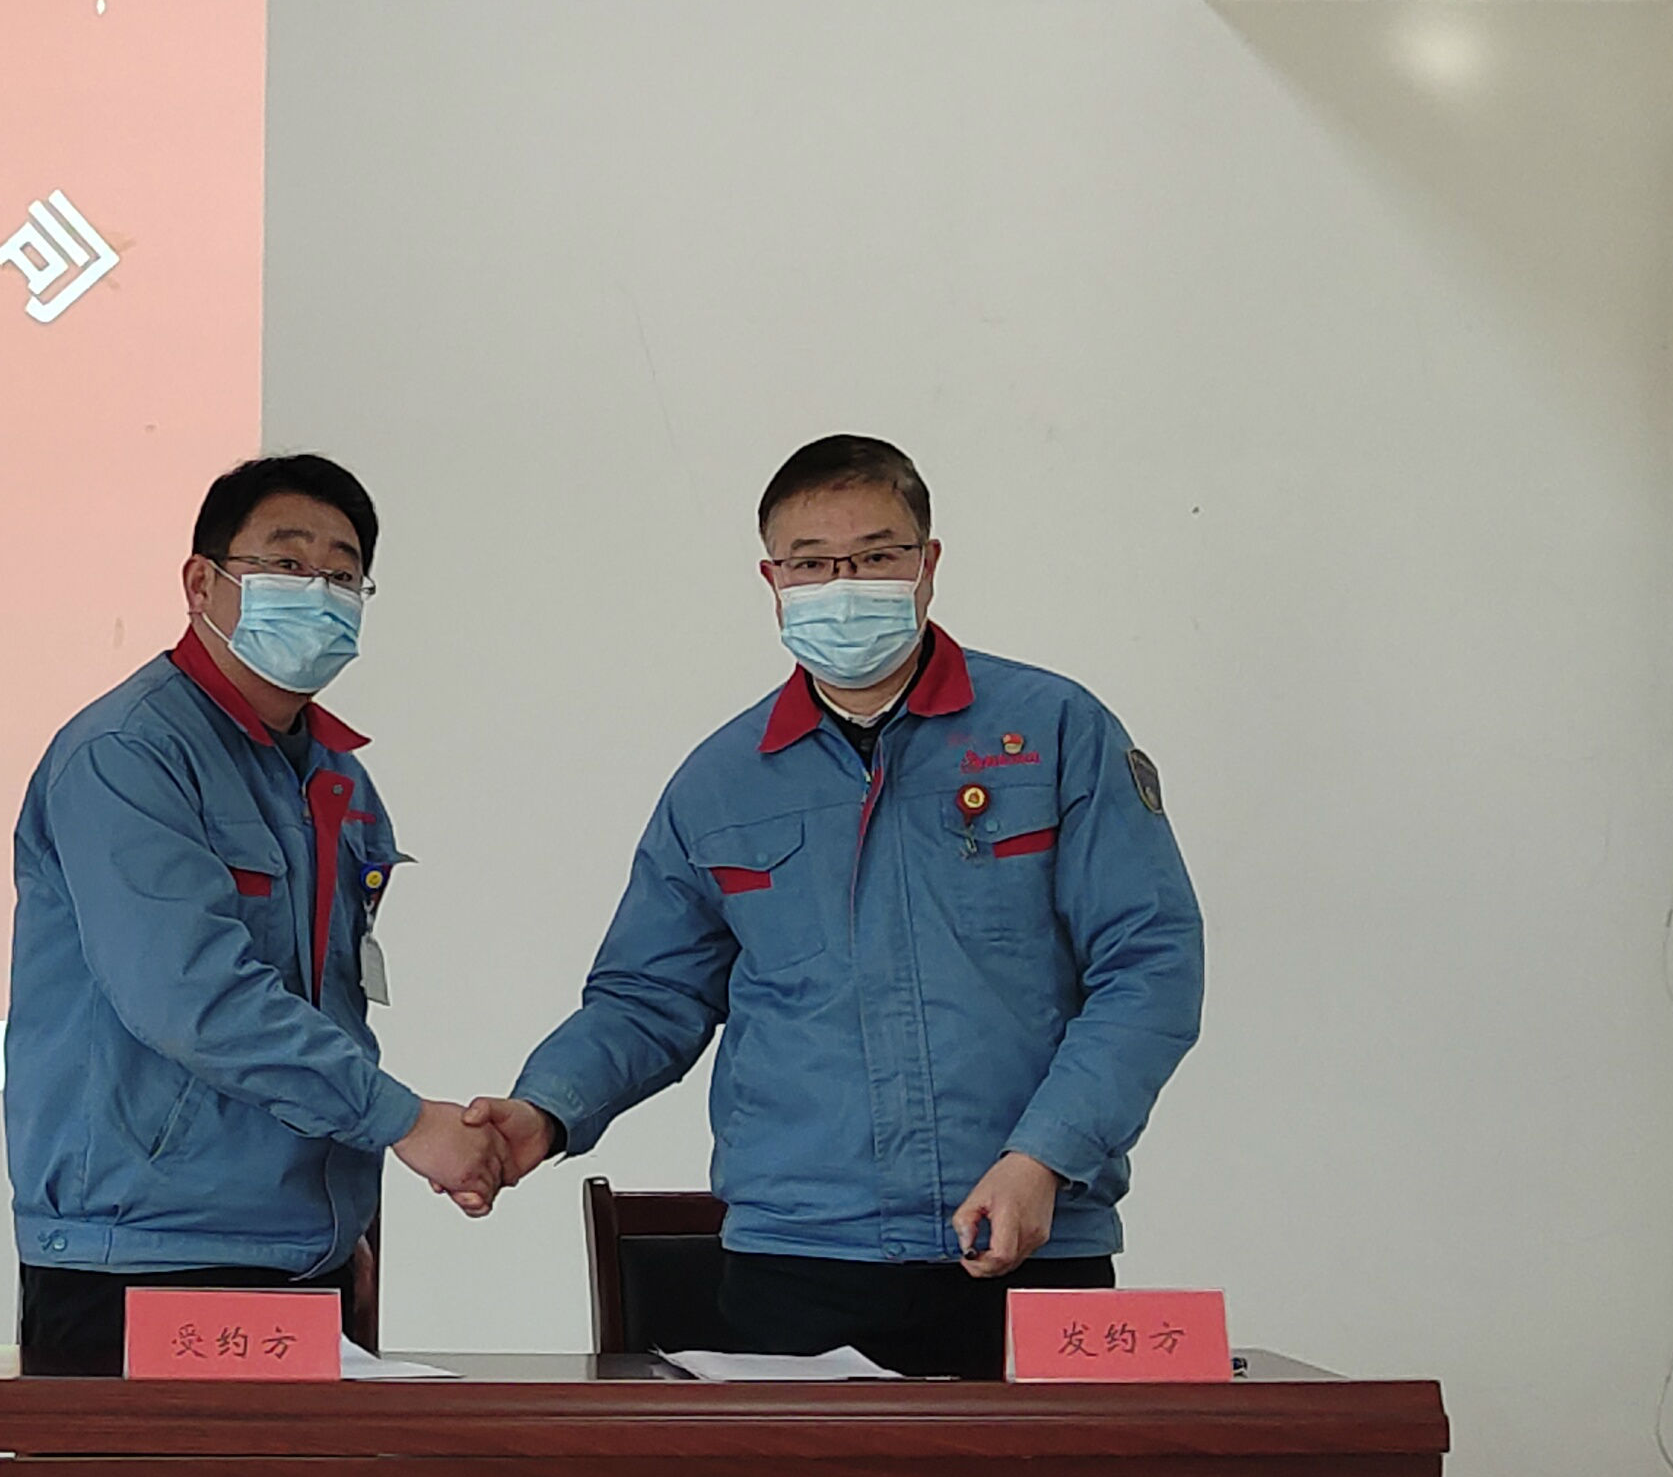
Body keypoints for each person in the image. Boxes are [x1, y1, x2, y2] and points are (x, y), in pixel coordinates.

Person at [471, 436, 1203, 1380]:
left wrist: (1045, 1156)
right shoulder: (724, 781)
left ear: (928, 563)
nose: (843, 585)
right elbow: (649, 998)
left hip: (1032, 1238)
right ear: (772, 580)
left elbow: (1149, 965)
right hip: (797, 1258)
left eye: (876, 555)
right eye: (812, 563)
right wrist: (546, 1107)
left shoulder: (1055, 732)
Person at [5, 454, 506, 1376]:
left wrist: (342, 1215)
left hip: (302, 1253)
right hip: (144, 1256)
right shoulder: (128, 755)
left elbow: (332, 1004)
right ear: (202, 583)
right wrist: (406, 1124)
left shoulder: (337, 778)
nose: (317, 591)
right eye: (285, 564)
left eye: (342, 575)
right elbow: (193, 997)